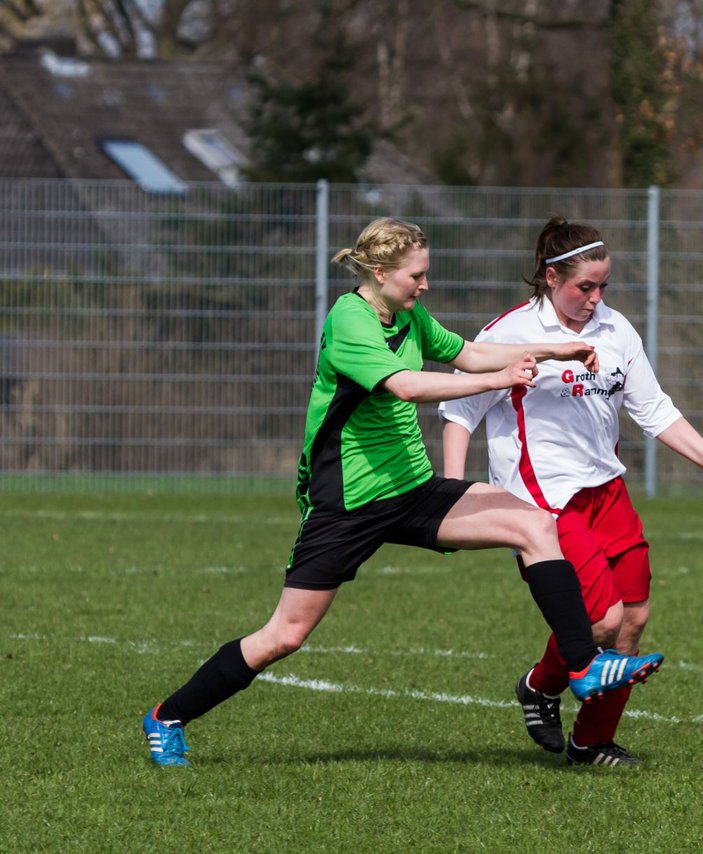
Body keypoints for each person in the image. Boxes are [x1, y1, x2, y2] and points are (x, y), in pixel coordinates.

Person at [142, 217, 663, 767]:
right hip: (350, 504)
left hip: (413, 489)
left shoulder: (409, 315)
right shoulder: (350, 320)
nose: (425, 285)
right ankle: (168, 716)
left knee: (535, 524)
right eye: (416, 275)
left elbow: (465, 352)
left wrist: (555, 351)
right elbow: (405, 385)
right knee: (285, 634)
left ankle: (582, 665)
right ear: (379, 271)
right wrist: (496, 381)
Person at [439, 216, 703, 767]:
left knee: (632, 619)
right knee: (599, 619)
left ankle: (591, 744)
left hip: (607, 491)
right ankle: (540, 686)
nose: (595, 297)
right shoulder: (510, 333)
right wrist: (449, 491)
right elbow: (459, 414)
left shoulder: (616, 330)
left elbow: (654, 410)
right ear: (549, 276)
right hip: (542, 501)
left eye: (603, 285)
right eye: (584, 286)